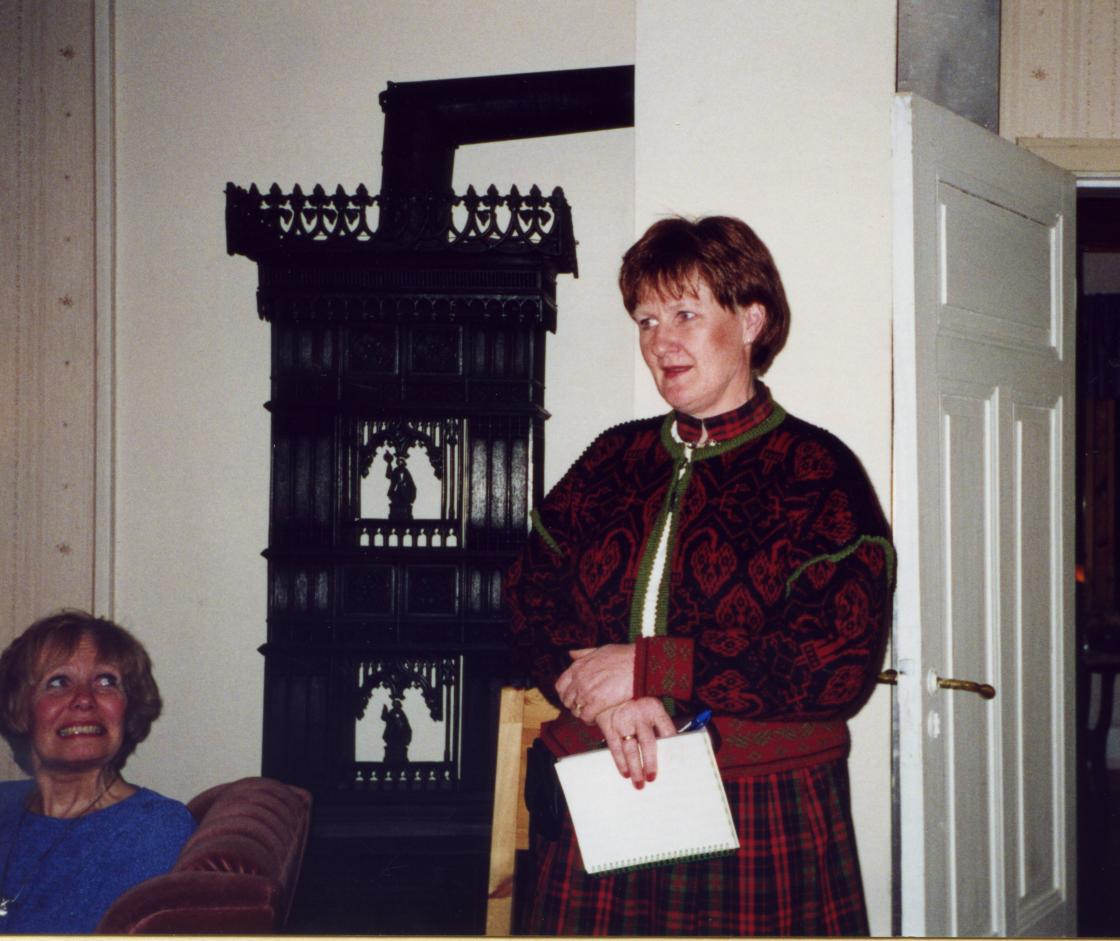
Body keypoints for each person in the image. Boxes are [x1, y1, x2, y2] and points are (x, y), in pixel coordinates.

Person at [505, 215, 894, 936]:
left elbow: (837, 664)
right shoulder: (611, 461)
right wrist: (599, 691)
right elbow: (527, 596)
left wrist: (648, 667)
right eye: (647, 321)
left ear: (751, 320)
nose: (661, 342)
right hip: (605, 794)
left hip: (761, 811)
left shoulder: (818, 473)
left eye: (685, 313)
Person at [0, 610, 196, 933]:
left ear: (127, 707)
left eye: (106, 681)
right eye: (58, 682)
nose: (84, 700)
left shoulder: (154, 829)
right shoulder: (5, 802)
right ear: (20, 709)